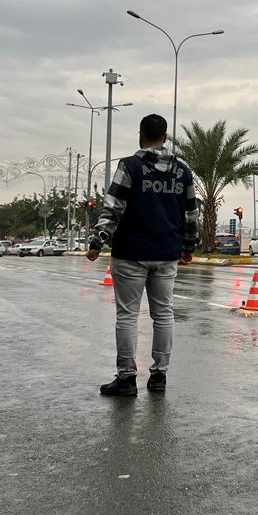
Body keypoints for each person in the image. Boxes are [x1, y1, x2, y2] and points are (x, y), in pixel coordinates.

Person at [87, 114, 200, 396]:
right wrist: (188, 247)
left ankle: (126, 379)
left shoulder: (131, 166)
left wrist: (97, 242)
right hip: (166, 253)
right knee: (163, 313)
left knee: (127, 315)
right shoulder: (183, 171)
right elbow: (191, 213)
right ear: (166, 137)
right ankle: (159, 376)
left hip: (131, 254)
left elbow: (113, 207)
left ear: (141, 135)